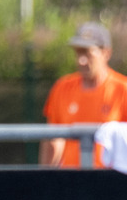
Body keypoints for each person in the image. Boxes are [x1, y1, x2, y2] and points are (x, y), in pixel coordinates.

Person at [41, 21, 127, 167]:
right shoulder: (62, 87)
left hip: (110, 182)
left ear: (106, 53)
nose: (81, 60)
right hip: (70, 180)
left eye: (87, 53)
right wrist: (43, 180)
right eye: (78, 53)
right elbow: (53, 140)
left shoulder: (122, 89)